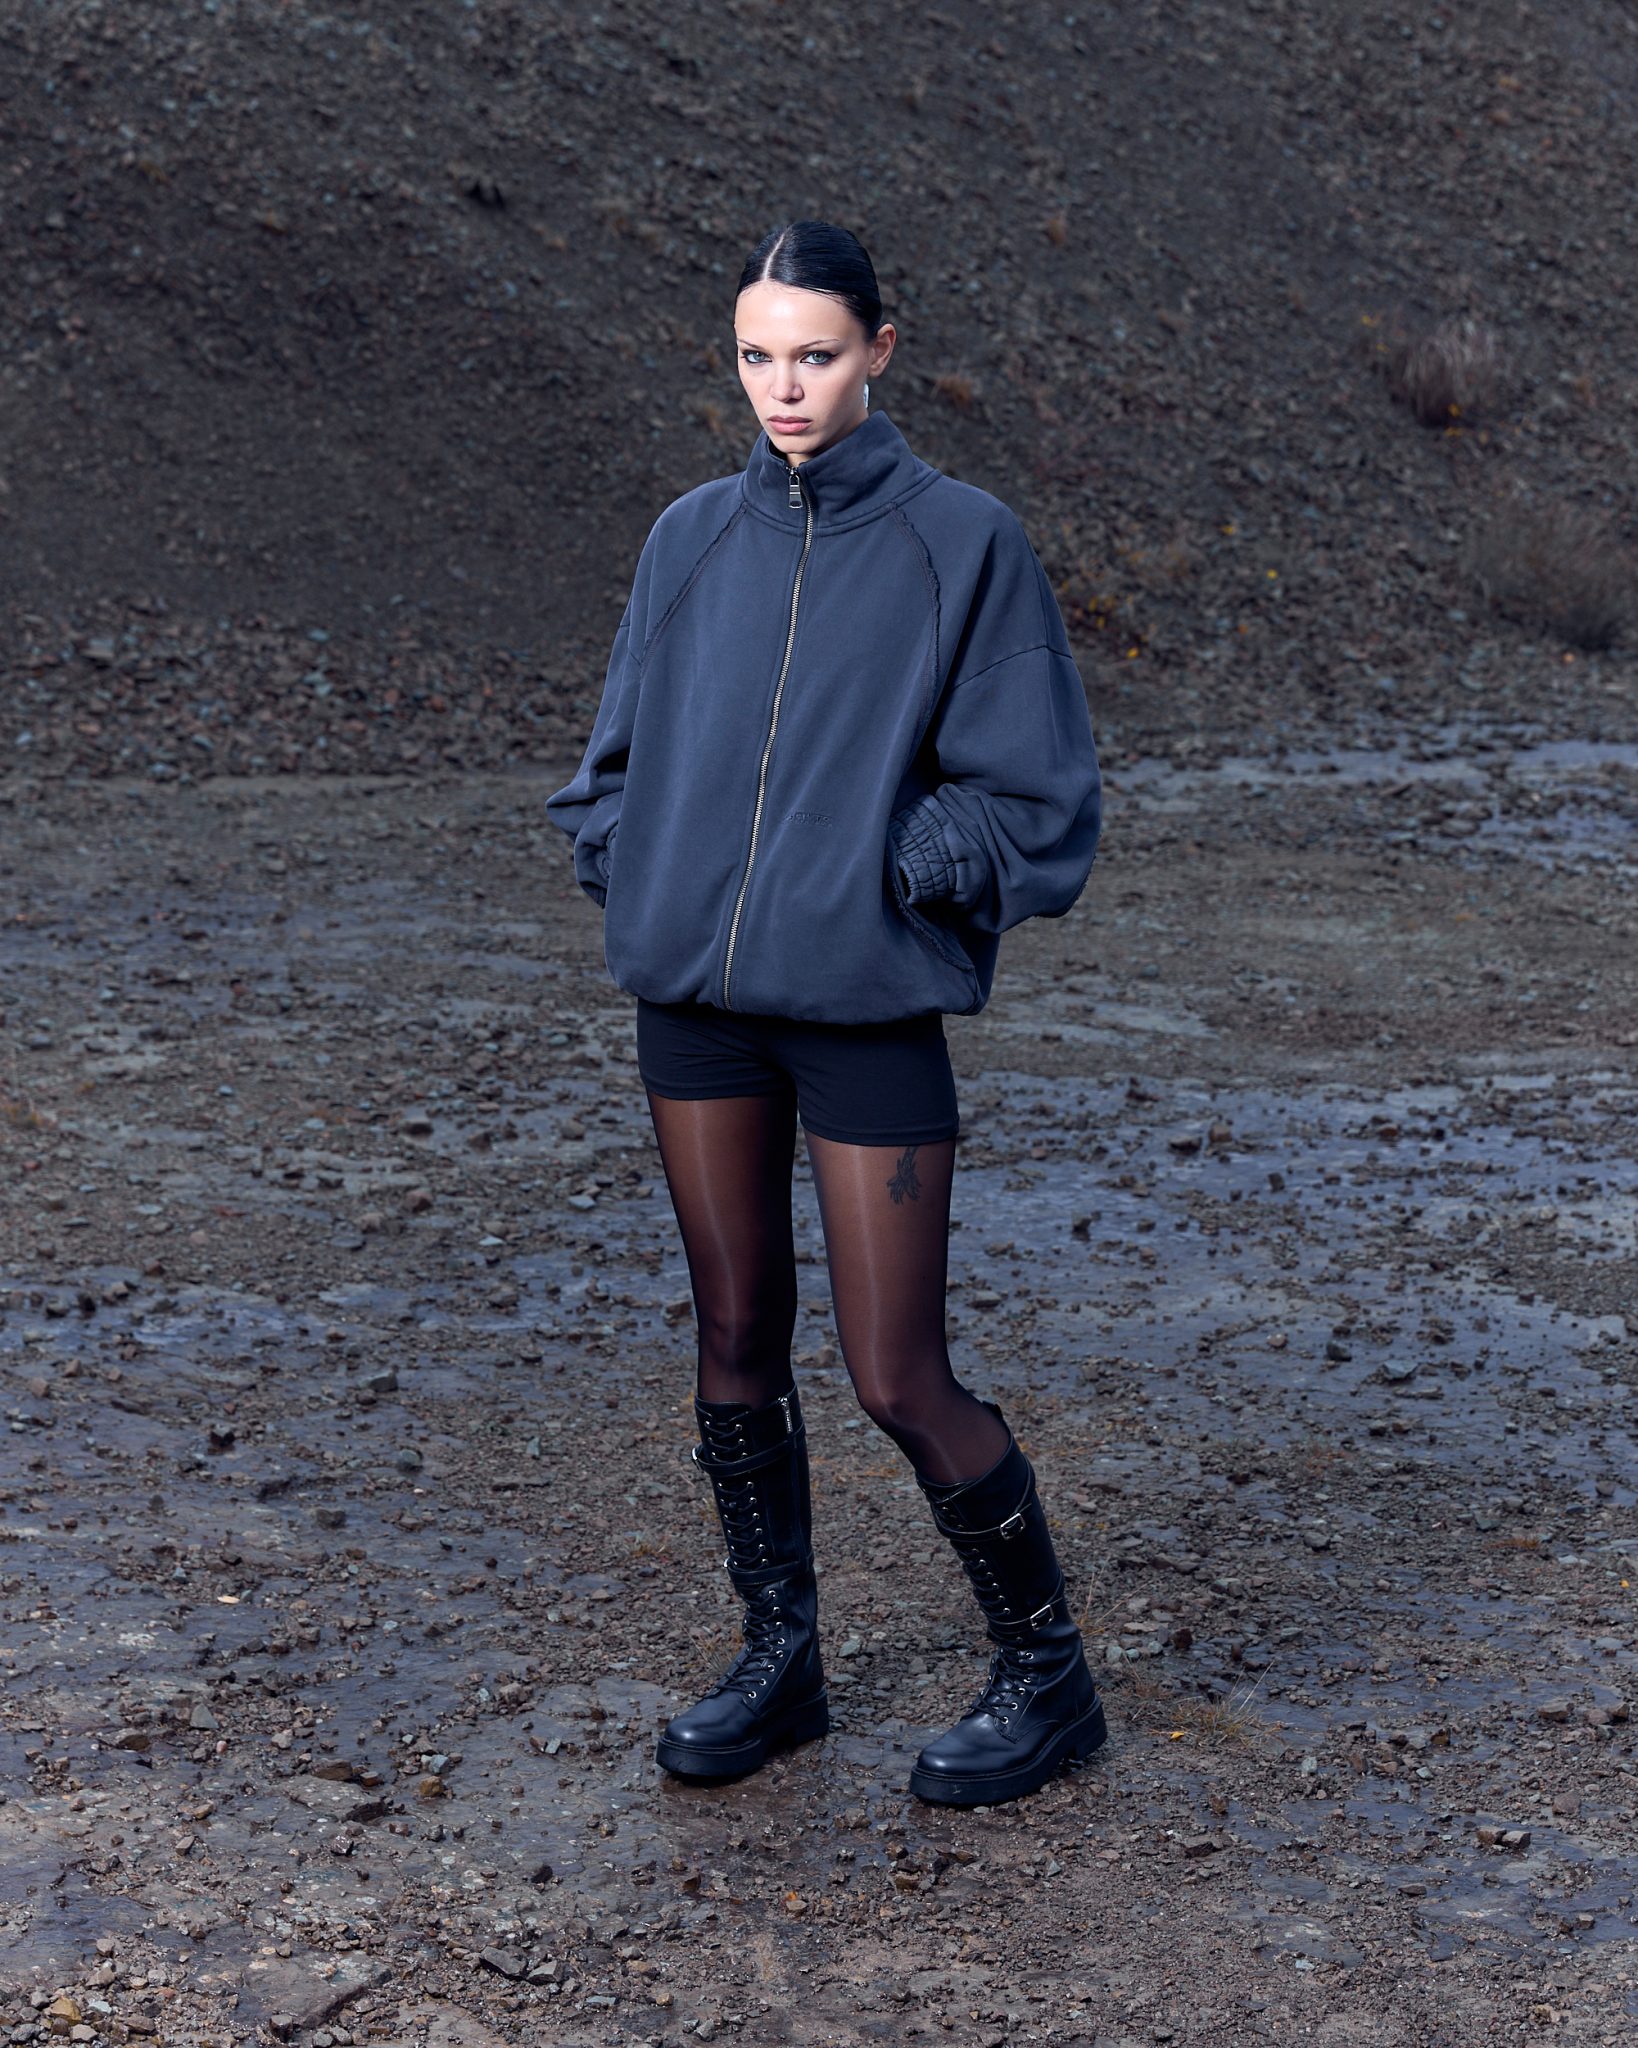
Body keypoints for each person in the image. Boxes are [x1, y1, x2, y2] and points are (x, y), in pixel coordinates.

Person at [545, 219, 1105, 1808]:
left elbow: (1038, 793)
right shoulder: (687, 538)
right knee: (732, 1336)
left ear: (877, 352)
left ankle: (1048, 1681)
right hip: (697, 1011)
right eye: (756, 356)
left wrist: (897, 868)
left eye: (815, 354)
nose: (782, 388)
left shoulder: (963, 543)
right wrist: (645, 869)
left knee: (894, 1372)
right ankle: (777, 1658)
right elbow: (610, 766)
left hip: (861, 1006)